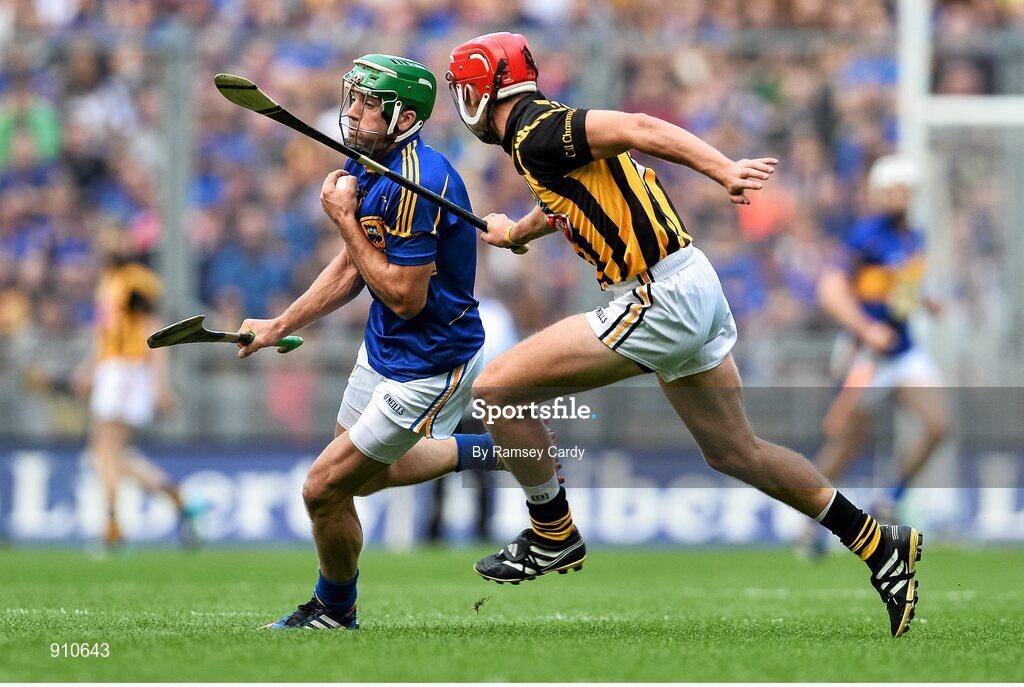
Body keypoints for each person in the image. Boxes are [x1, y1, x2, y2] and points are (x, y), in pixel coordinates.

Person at [437, 32, 923, 637]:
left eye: (462, 88)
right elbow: (570, 200)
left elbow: (642, 126)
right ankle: (880, 545)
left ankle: (552, 532)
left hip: (657, 294)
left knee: (496, 388)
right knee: (735, 452)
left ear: (482, 88)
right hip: (692, 284)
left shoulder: (536, 128)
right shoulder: (538, 139)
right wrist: (518, 234)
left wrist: (724, 170)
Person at [237, 54, 512, 631]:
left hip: (430, 364)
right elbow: (350, 269)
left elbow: (402, 295)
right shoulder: (368, 162)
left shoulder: (419, 182)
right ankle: (486, 449)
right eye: (354, 98)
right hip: (383, 348)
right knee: (369, 476)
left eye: (368, 103)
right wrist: (278, 327)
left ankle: (335, 611)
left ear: (403, 116)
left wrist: (342, 219)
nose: (353, 111)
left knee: (322, 490)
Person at [800, 154, 949, 554]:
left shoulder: (913, 236)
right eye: (892, 189)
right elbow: (830, 291)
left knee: (938, 425)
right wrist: (866, 328)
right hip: (866, 355)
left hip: (903, 352)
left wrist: (923, 302)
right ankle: (811, 522)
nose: (899, 196)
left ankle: (890, 499)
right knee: (846, 445)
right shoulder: (865, 236)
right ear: (879, 193)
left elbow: (896, 290)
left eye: (905, 189)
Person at [76, 228, 191, 550]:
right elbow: (104, 334)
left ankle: (112, 523)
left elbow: (151, 330)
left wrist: (159, 383)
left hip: (127, 369)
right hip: (113, 369)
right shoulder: (109, 279)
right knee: (107, 453)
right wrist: (89, 369)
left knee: (105, 451)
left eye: (116, 236)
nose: (108, 242)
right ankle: (172, 493)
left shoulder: (136, 280)